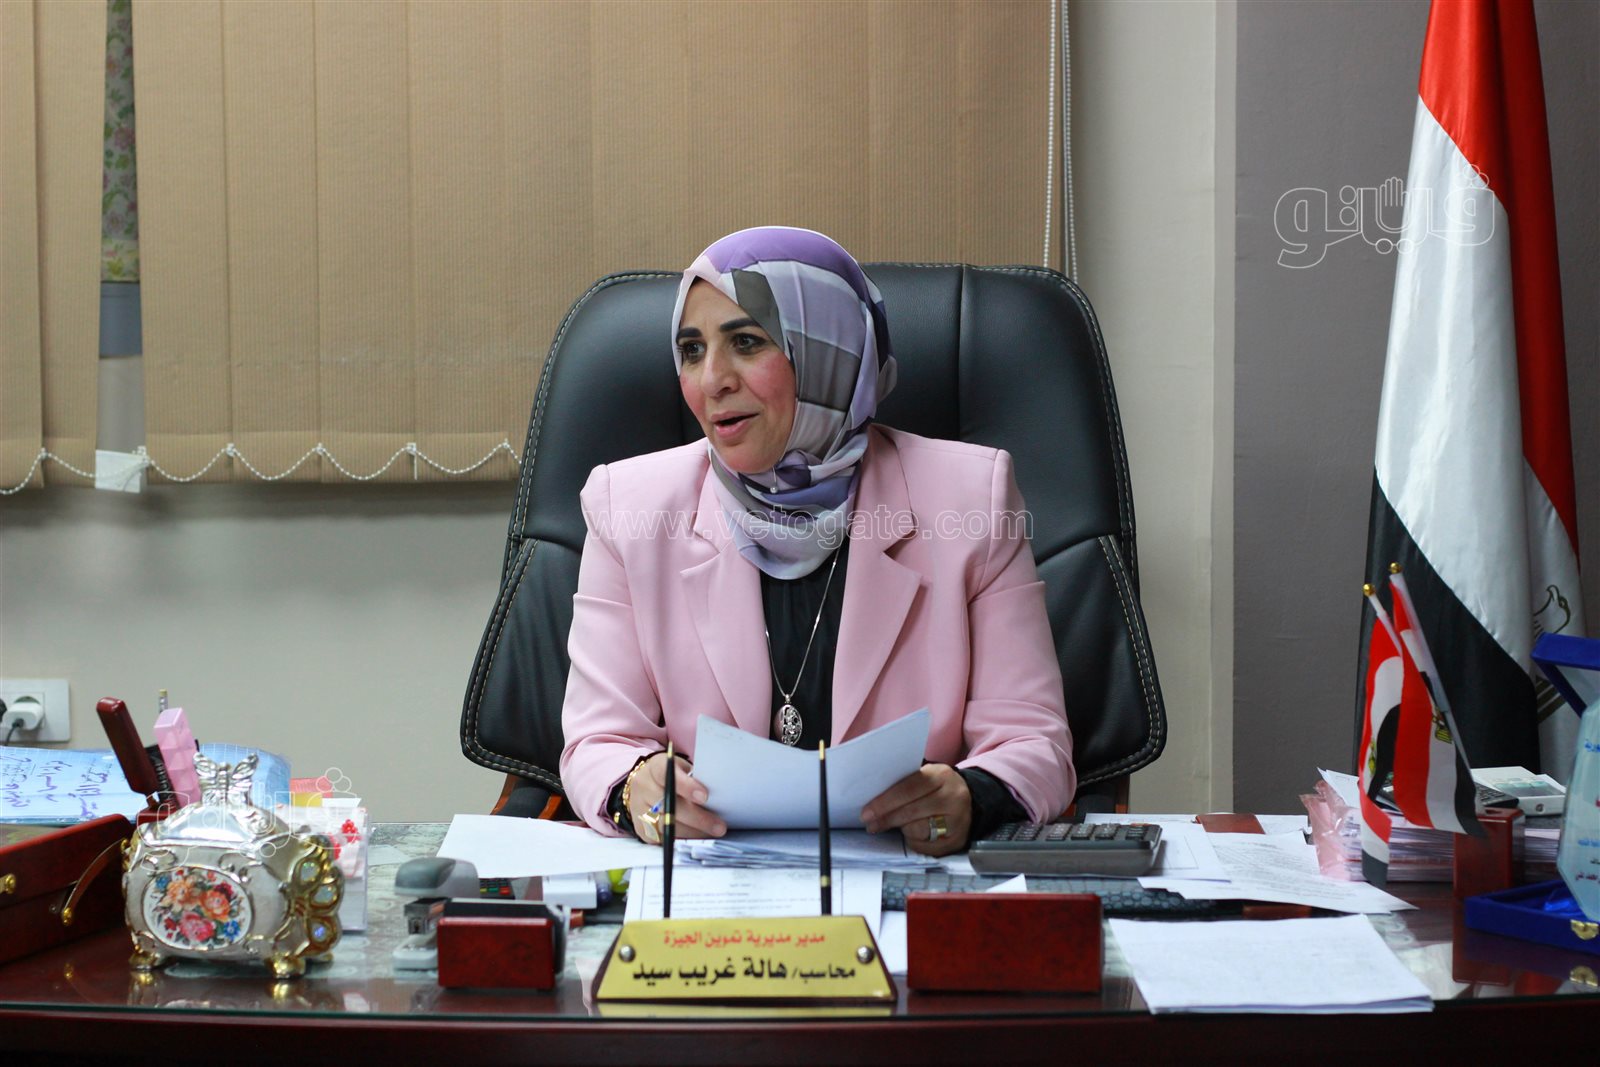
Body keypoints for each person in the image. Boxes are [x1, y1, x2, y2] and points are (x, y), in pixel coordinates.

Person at [559, 227, 1073, 856]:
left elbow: (1033, 742)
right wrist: (636, 787)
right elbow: (597, 742)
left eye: (746, 342)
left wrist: (972, 795)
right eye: (691, 350)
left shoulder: (971, 499)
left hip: (903, 873)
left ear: (831, 350)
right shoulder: (628, 507)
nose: (711, 380)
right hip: (708, 879)